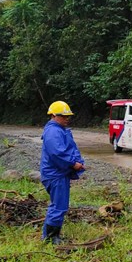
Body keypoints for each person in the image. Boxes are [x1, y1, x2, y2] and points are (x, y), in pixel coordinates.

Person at [40, 100, 85, 245]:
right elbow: (58, 154)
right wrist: (73, 163)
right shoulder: (53, 131)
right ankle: (51, 238)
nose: (67, 119)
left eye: (68, 116)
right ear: (53, 116)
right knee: (58, 206)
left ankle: (51, 236)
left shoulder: (58, 130)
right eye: (63, 116)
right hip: (55, 175)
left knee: (58, 205)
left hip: (58, 174)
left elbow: (69, 148)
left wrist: (77, 161)